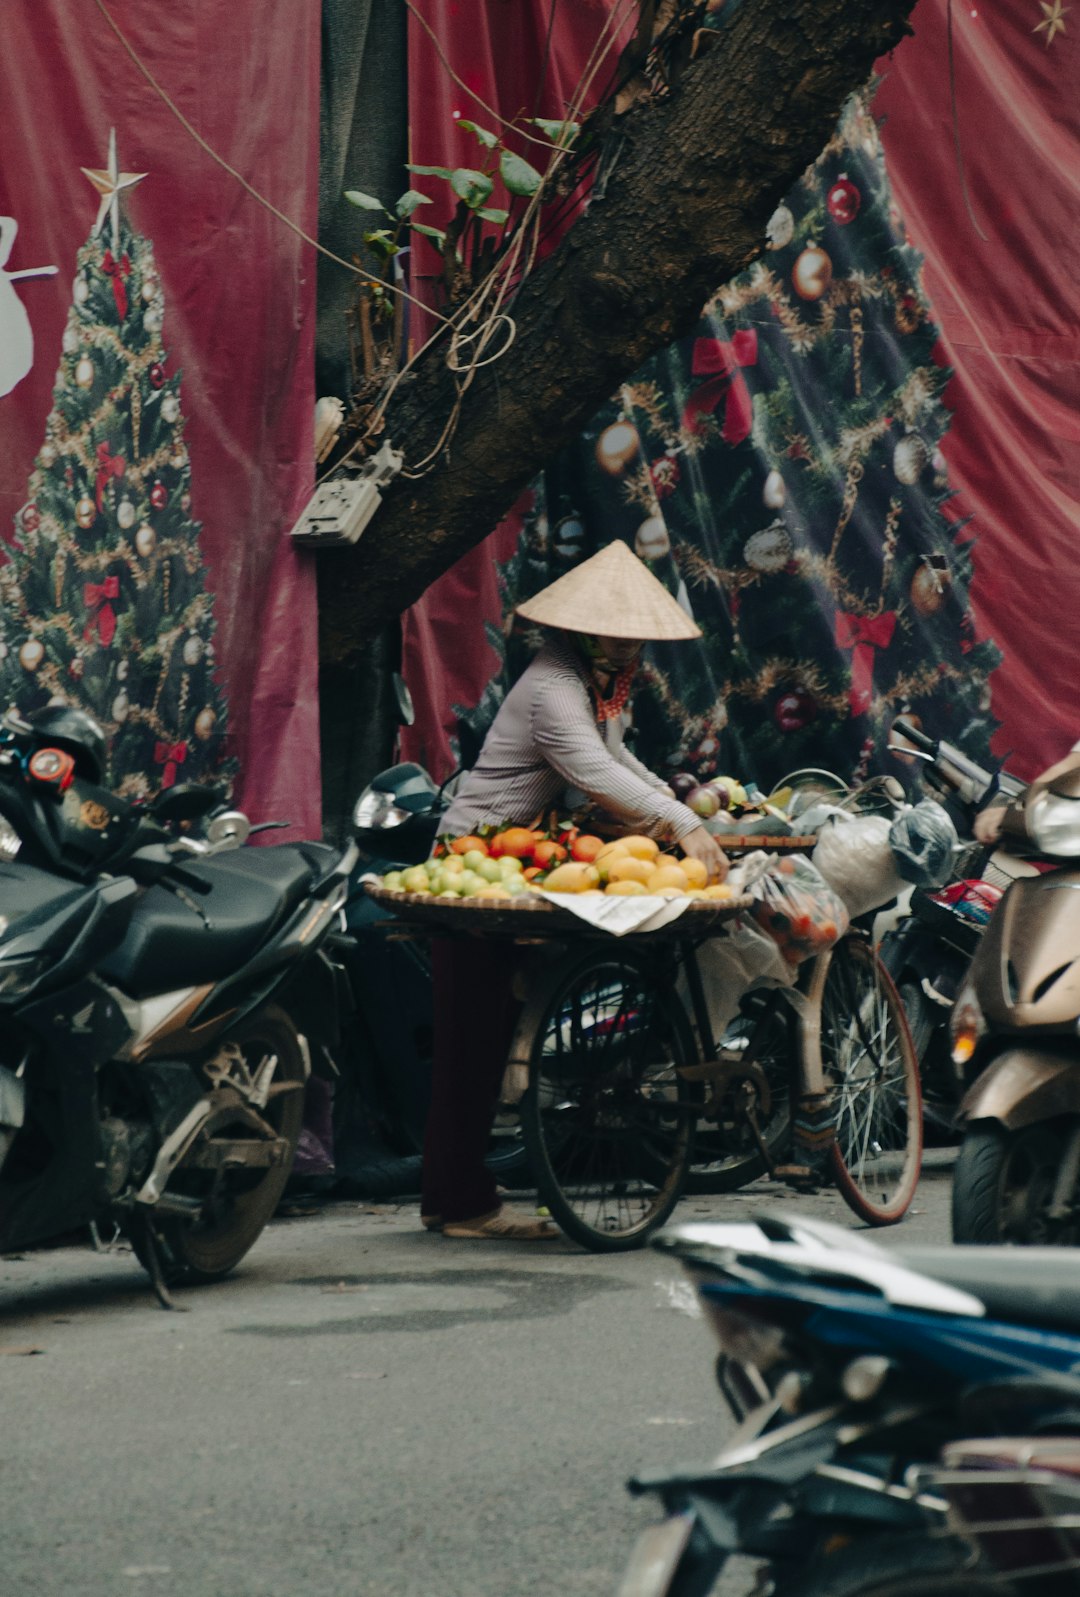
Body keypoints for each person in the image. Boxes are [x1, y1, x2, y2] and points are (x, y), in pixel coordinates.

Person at [422, 540, 728, 1241]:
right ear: (585, 630)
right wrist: (682, 822)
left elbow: (618, 758)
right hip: (476, 862)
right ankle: (462, 1201)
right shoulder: (555, 688)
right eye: (617, 632)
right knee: (473, 1039)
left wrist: (696, 808)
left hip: (524, 856)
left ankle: (453, 1195)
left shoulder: (594, 685)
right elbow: (592, 769)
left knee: (485, 1033)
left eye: (634, 634)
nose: (629, 645)